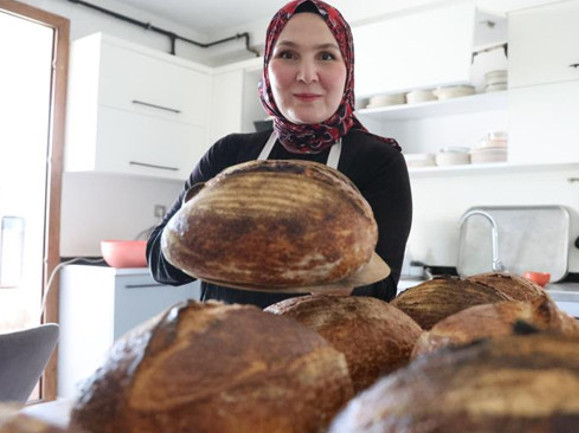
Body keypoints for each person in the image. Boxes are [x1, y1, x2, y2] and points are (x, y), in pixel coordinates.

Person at [146, 0, 412, 308]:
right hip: (225, 346)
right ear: (267, 68)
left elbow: (384, 289)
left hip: (325, 351)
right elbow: (159, 263)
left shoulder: (379, 161)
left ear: (347, 68)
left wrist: (329, 267)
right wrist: (205, 228)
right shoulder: (229, 153)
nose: (306, 74)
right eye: (288, 54)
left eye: (326, 55)